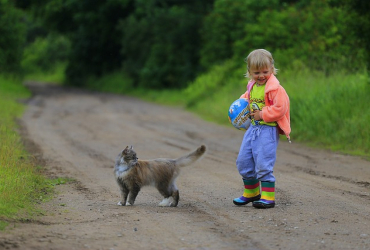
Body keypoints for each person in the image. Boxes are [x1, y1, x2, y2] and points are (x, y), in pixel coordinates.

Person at [233, 49, 291, 209]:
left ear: (272, 69)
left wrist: (262, 114)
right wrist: (239, 105)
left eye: (265, 71)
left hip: (267, 131)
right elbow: (247, 97)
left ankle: (268, 197)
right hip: (253, 129)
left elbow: (281, 108)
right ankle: (251, 193)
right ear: (250, 72)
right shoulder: (252, 85)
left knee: (263, 161)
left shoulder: (276, 89)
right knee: (244, 160)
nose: (261, 75)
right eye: (256, 72)